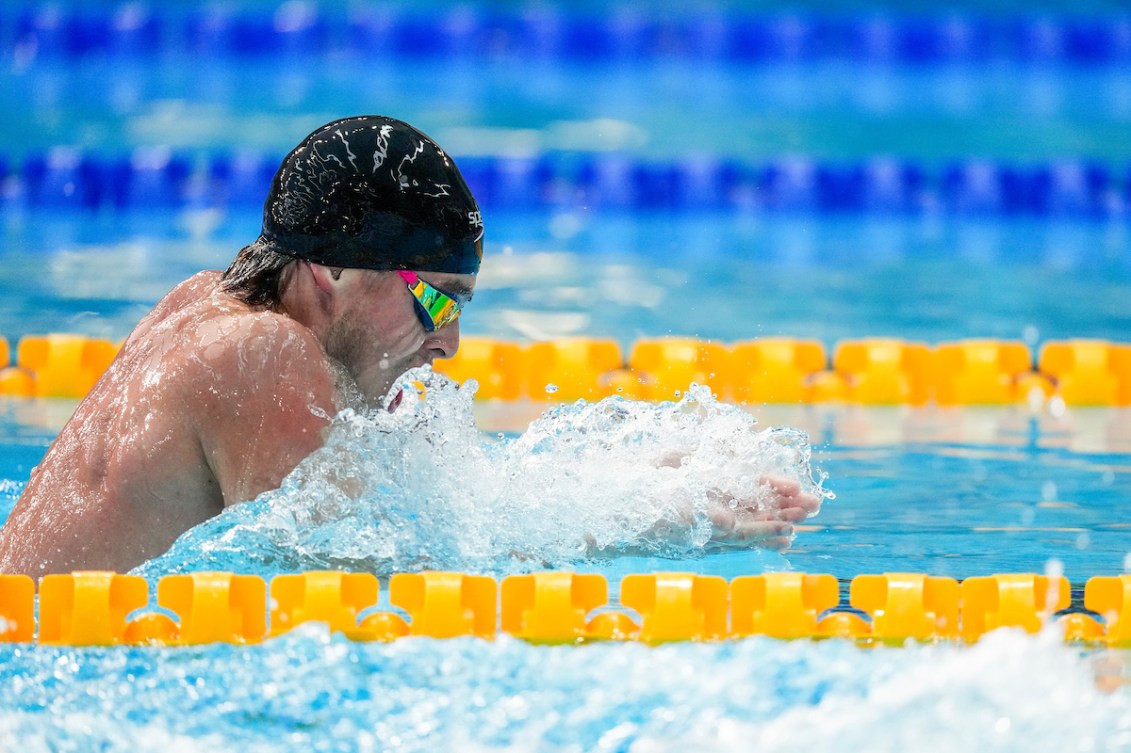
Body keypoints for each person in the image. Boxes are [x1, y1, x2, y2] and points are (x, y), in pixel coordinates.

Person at [0, 114, 818, 577]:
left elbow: (400, 516)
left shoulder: (210, 303)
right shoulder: (261, 358)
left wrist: (631, 481)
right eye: (434, 298)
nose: (451, 341)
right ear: (329, 269)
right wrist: (656, 525)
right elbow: (367, 573)